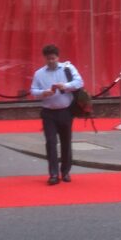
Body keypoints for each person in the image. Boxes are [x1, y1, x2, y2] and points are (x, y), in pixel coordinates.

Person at [31, 44, 83, 185]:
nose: (51, 61)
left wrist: (65, 86)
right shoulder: (39, 73)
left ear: (58, 57)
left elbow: (79, 82)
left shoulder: (68, 68)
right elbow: (33, 90)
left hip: (66, 110)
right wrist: (43, 93)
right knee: (51, 143)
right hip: (48, 112)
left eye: (53, 58)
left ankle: (65, 171)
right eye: (48, 59)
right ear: (44, 58)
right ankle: (53, 174)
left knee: (66, 142)